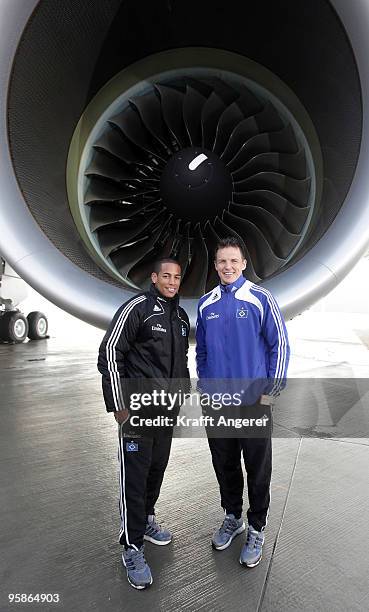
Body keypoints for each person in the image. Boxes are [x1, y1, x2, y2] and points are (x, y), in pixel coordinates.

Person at [196, 236, 290, 568]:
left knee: (257, 468)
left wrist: (272, 391)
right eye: (222, 261)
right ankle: (232, 516)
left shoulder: (261, 298)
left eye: (233, 260)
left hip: (253, 402)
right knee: (225, 465)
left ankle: (257, 527)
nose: (228, 266)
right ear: (216, 265)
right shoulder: (205, 304)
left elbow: (279, 345)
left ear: (243, 263)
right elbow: (202, 351)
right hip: (218, 404)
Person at [98, 259, 190, 590]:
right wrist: (119, 407)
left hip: (165, 412)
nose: (171, 281)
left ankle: (146, 521)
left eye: (176, 277)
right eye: (166, 275)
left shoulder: (180, 317)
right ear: (154, 278)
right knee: (134, 478)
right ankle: (132, 546)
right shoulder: (138, 307)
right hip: (136, 411)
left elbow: (182, 362)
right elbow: (109, 353)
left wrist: (182, 396)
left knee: (156, 469)